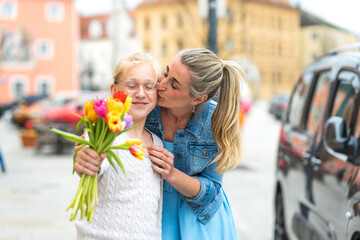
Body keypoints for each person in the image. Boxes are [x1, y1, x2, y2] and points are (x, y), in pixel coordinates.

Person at [145, 48, 243, 239]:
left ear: (198, 98)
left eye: (174, 85)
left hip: (199, 222)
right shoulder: (146, 106)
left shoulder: (216, 122)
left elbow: (212, 189)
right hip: (149, 215)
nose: (161, 85)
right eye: (166, 73)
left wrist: (171, 173)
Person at [73, 52, 163, 240]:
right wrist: (87, 159)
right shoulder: (104, 132)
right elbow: (91, 160)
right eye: (131, 85)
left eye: (149, 86)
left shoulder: (157, 142)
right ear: (114, 91)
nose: (140, 93)